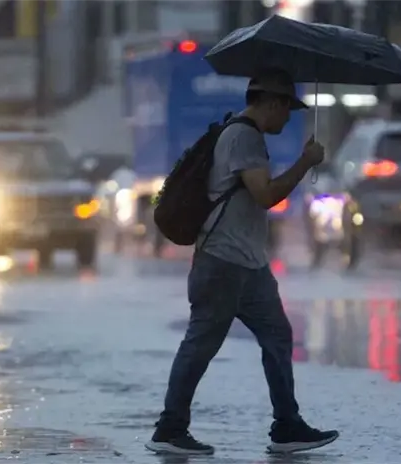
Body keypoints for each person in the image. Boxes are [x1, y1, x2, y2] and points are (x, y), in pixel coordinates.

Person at [145, 69, 339, 456]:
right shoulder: (244, 137)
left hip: (248, 265)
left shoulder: (242, 135)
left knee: (277, 336)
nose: (288, 118)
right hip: (223, 262)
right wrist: (305, 162)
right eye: (287, 109)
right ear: (272, 103)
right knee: (201, 344)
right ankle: (170, 428)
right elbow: (265, 195)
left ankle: (287, 426)